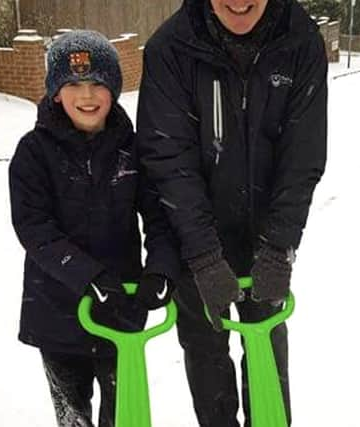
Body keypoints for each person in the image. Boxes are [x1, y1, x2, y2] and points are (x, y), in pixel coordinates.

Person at [136, 0, 327, 425]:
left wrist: (278, 248)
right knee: (207, 359)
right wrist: (203, 255)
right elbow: (168, 159)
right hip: (194, 236)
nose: (239, 1)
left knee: (267, 355)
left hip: (265, 238)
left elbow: (303, 156)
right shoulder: (171, 48)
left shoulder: (300, 40)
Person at [8, 30, 180, 427]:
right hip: (57, 311)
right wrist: (86, 276)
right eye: (73, 85)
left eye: (97, 84)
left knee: (124, 411)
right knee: (73, 416)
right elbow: (35, 229)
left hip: (121, 304)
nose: (87, 96)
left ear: (114, 90)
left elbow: (158, 216)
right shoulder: (33, 153)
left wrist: (162, 268)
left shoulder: (133, 149)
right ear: (55, 92)